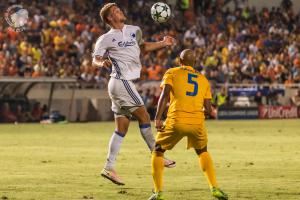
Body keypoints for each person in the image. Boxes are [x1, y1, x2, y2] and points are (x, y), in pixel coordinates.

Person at [92, 3, 176, 185]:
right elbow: (95, 59)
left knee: (121, 128)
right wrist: (102, 63)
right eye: (115, 11)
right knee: (145, 117)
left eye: (119, 9)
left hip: (120, 83)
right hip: (120, 81)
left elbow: (143, 47)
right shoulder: (105, 38)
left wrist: (163, 43)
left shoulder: (134, 30)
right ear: (109, 18)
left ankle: (109, 167)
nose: (120, 11)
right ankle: (158, 155)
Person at [149, 49, 228, 200]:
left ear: (179, 61)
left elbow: (164, 96)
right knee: (202, 152)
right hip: (197, 123)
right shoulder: (204, 80)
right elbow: (209, 109)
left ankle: (158, 193)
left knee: (158, 151)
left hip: (176, 120)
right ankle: (214, 188)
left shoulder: (172, 72)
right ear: (195, 63)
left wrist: (158, 118)